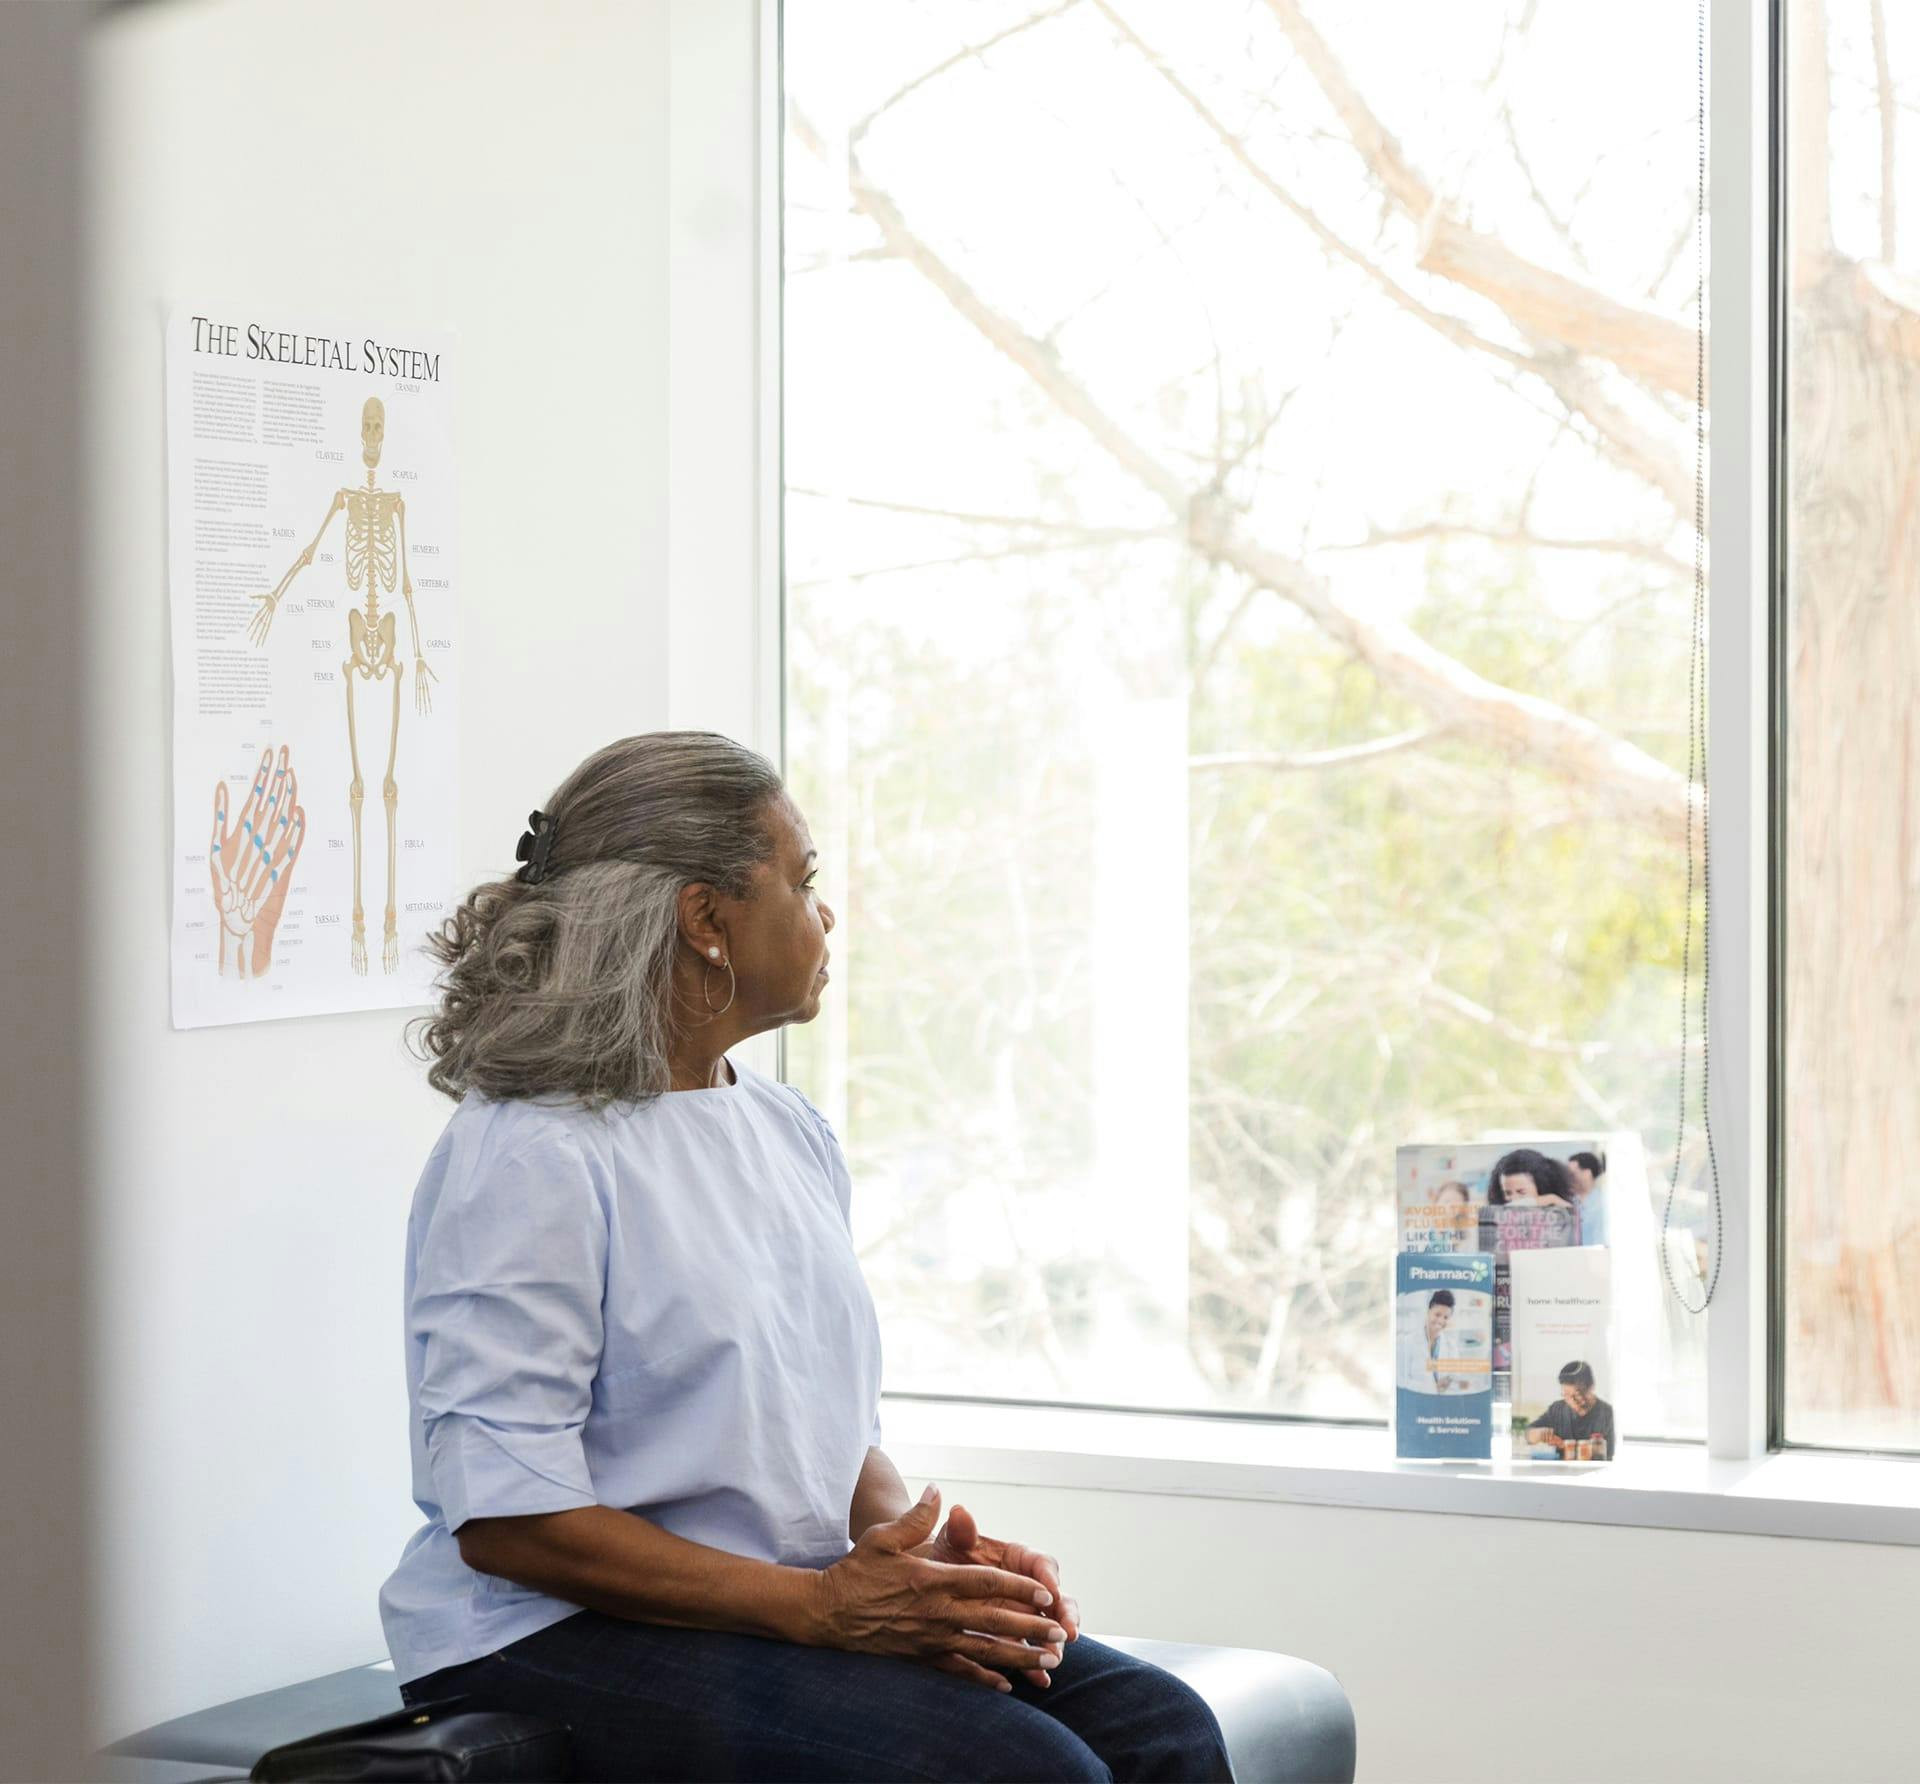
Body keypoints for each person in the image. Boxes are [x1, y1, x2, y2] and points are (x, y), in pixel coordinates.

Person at [376, 732, 1230, 1783]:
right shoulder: (529, 1155)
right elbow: (512, 1520)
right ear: (707, 919)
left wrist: (926, 1556)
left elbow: (818, 1431)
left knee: (1165, 1729)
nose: (827, 914)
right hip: (544, 1635)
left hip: (770, 1600)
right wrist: (819, 1608)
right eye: (804, 878)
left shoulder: (787, 1127)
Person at [1525, 1361, 1616, 1460]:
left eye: (1578, 1394)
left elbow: (1612, 1457)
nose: (1573, 1401)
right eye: (1567, 1395)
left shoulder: (1607, 1414)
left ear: (1592, 1387)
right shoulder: (1557, 1410)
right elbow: (1528, 1434)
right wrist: (1540, 1434)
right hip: (1561, 1473)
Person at [1397, 1288, 1470, 1394]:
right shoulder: (1407, 1342)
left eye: (1446, 1317)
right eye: (1437, 1314)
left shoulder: (1451, 1345)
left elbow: (1455, 1377)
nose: (1441, 1321)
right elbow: (1400, 1380)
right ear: (1428, 1312)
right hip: (1417, 1401)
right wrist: (1431, 1388)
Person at [1566, 1150, 1610, 1247]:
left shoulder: (1606, 1201)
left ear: (1587, 1173)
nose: (1568, 1179)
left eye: (1572, 1174)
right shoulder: (1566, 1202)